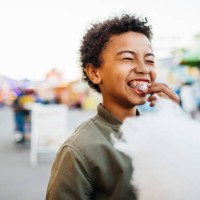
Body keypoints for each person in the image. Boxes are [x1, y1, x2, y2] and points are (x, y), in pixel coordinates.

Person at [46, 14, 179, 199]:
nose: (144, 68)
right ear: (94, 73)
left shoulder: (161, 131)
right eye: (127, 58)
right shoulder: (80, 150)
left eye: (149, 60)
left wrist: (175, 124)